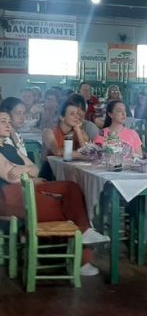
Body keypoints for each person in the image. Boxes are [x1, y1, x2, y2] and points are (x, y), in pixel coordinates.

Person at [0, 112, 109, 276]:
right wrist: (32, 176)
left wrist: (24, 169)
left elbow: (34, 170)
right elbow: (11, 177)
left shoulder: (9, 147)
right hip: (10, 197)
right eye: (3, 122)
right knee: (70, 208)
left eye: (9, 121)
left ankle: (85, 233)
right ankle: (82, 260)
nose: (9, 125)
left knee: (71, 188)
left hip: (27, 189)